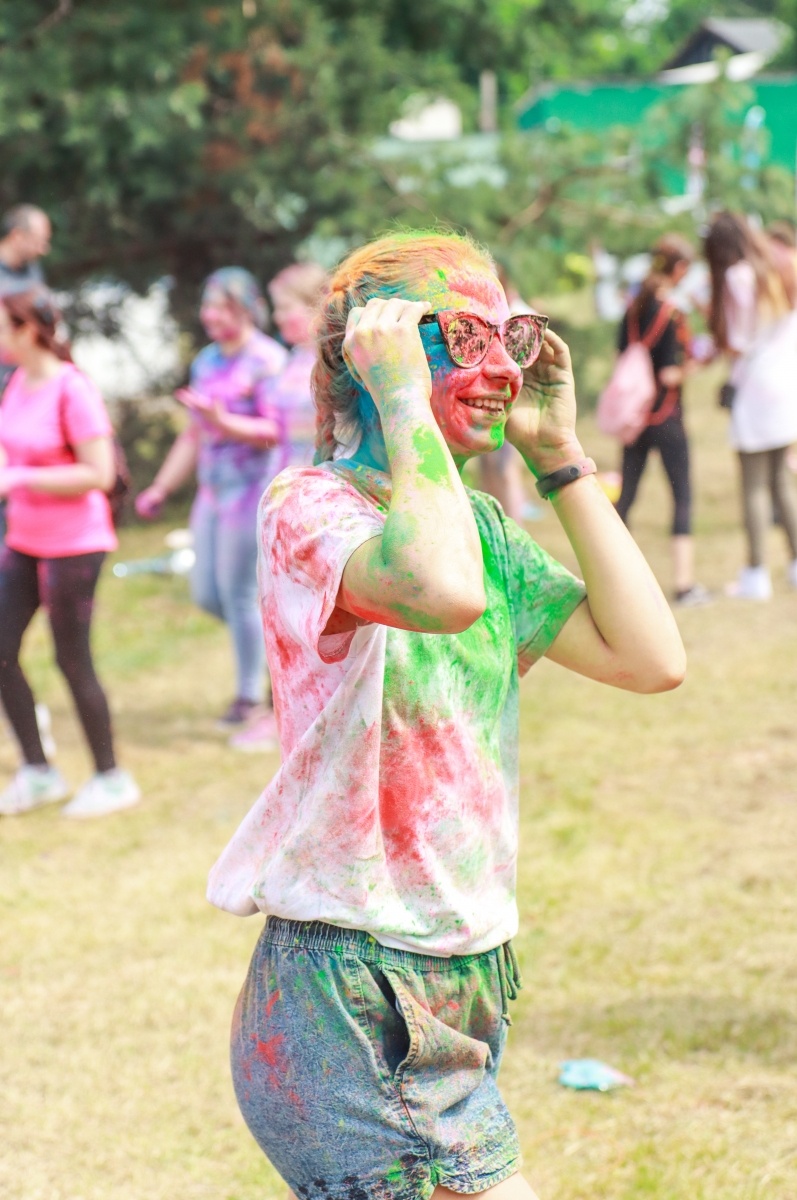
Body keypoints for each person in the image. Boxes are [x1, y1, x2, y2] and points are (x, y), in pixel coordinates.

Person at [207, 231, 686, 1199]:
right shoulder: (310, 509)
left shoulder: (480, 532)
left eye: (509, 336)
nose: (500, 366)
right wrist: (391, 397)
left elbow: (650, 658)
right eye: (461, 337)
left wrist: (559, 460)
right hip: (348, 996)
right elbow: (437, 590)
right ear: (374, 351)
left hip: (458, 980)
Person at [0, 287, 140, 817]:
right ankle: (38, 770)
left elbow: (98, 474)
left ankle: (111, 777)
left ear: (27, 330)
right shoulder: (16, 382)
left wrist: (17, 477)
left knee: (70, 658)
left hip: (75, 544)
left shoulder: (72, 389)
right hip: (24, 539)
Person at [136, 268, 287, 727]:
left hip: (252, 490)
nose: (211, 315)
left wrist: (224, 423)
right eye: (207, 306)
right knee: (206, 594)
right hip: (212, 492)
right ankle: (275, 653)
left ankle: (250, 698)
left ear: (245, 308)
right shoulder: (205, 362)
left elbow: (276, 433)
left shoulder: (268, 359)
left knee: (240, 594)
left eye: (222, 306)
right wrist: (161, 487)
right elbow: (193, 435)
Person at [229, 260, 328, 752]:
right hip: (284, 493)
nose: (278, 316)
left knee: (303, 610)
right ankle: (282, 709)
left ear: (314, 306)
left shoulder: (331, 361)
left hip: (318, 497)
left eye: (286, 306)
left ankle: (289, 710)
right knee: (279, 607)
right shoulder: (292, 359)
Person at [704, 212, 797, 600]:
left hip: (756, 386)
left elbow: (739, 341)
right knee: (781, 482)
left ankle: (756, 573)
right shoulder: (778, 268)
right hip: (786, 385)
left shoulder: (737, 278)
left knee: (754, 484)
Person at [614, 234, 709, 606]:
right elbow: (671, 373)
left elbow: (623, 358)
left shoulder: (631, 310)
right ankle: (684, 585)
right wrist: (696, 365)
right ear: (680, 268)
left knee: (626, 500)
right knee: (682, 495)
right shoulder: (673, 313)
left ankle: (615, 582)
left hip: (635, 419)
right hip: (667, 416)